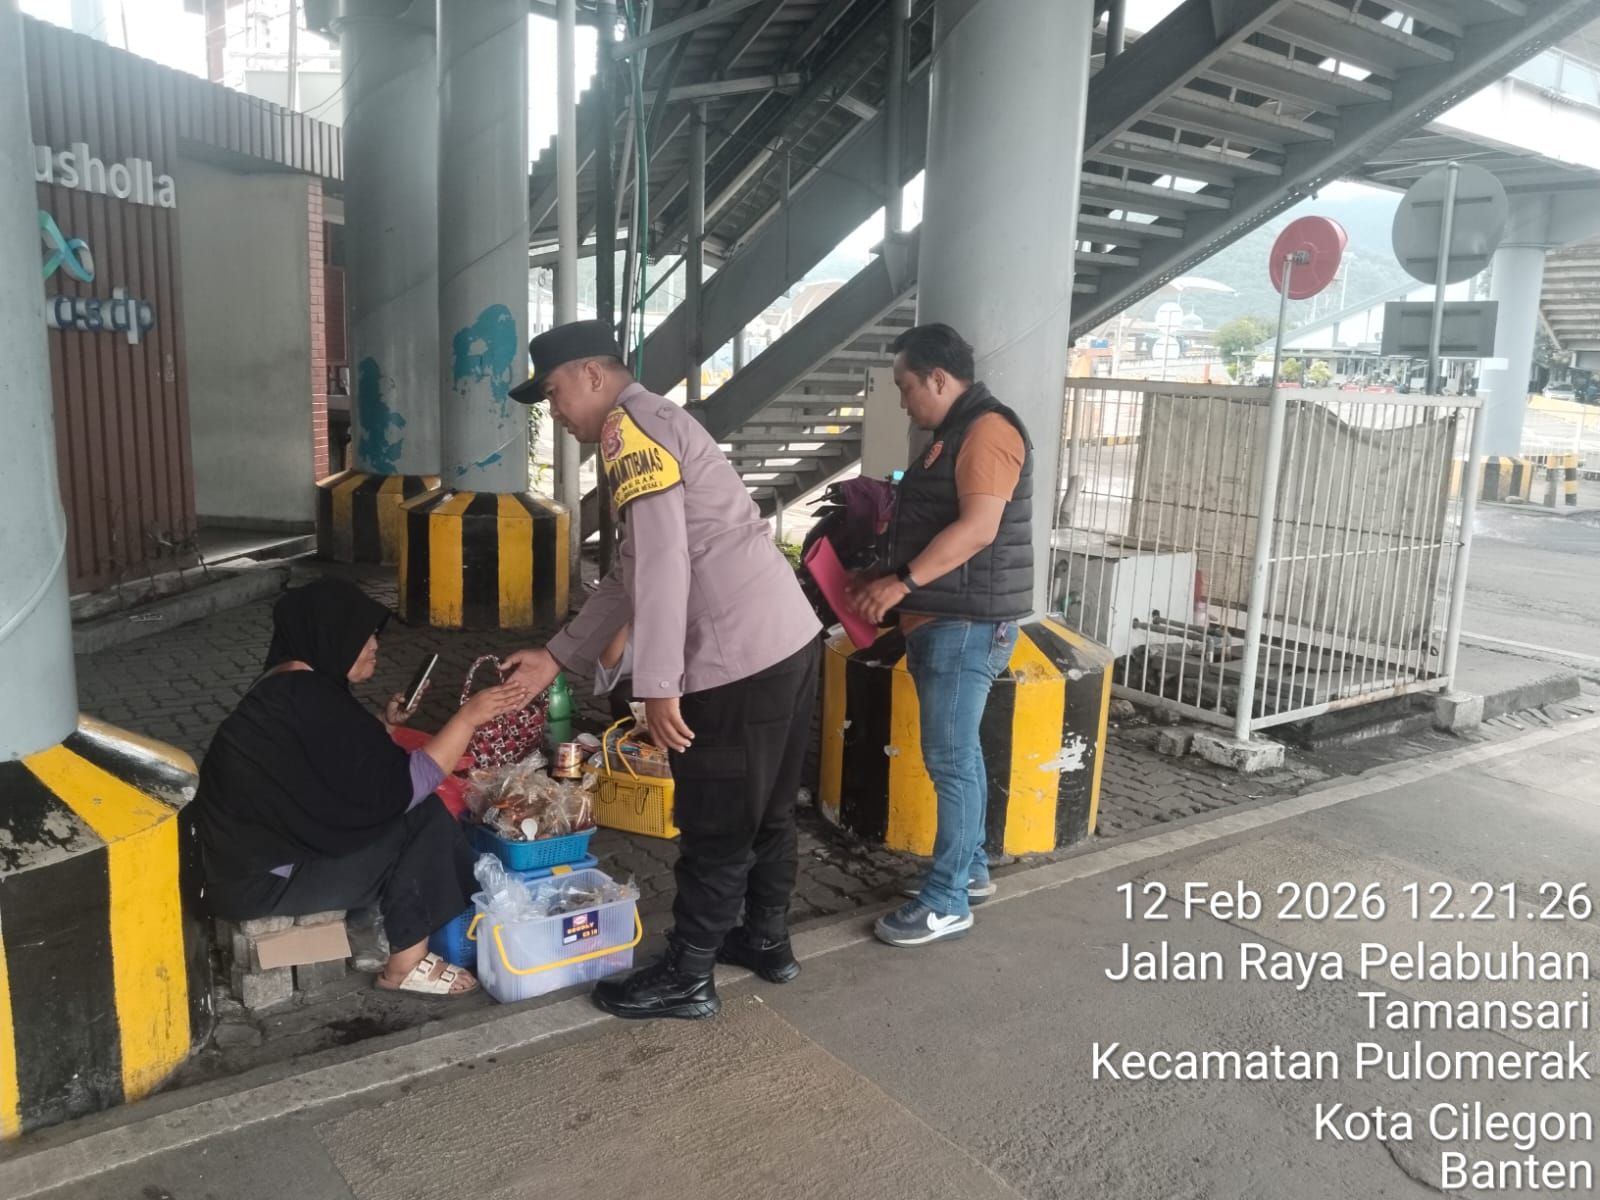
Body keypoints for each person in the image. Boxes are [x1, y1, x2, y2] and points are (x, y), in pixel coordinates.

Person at [504, 320, 821, 1021]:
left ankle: (689, 975)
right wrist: (557, 655)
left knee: (715, 822)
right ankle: (765, 939)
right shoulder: (660, 420)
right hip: (786, 641)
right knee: (768, 810)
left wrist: (657, 684)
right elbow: (631, 572)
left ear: (592, 374)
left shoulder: (629, 431)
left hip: (735, 663)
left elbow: (665, 563)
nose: (554, 411)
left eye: (553, 392)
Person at [193, 578, 532, 996]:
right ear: (329, 637)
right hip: (260, 883)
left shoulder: (285, 688)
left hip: (239, 873)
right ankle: (405, 966)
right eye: (362, 635)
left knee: (401, 821)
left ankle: (379, 929)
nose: (374, 645)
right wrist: (467, 719)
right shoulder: (311, 702)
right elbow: (405, 787)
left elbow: (338, 767)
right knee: (422, 818)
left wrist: (385, 723)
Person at [848, 323, 1032, 948]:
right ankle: (969, 871)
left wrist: (901, 582)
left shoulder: (988, 431)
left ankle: (947, 900)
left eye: (905, 387)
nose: (903, 401)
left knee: (951, 762)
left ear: (937, 378)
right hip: (949, 619)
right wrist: (885, 575)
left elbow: (979, 528)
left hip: (965, 625)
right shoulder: (956, 433)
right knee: (962, 757)